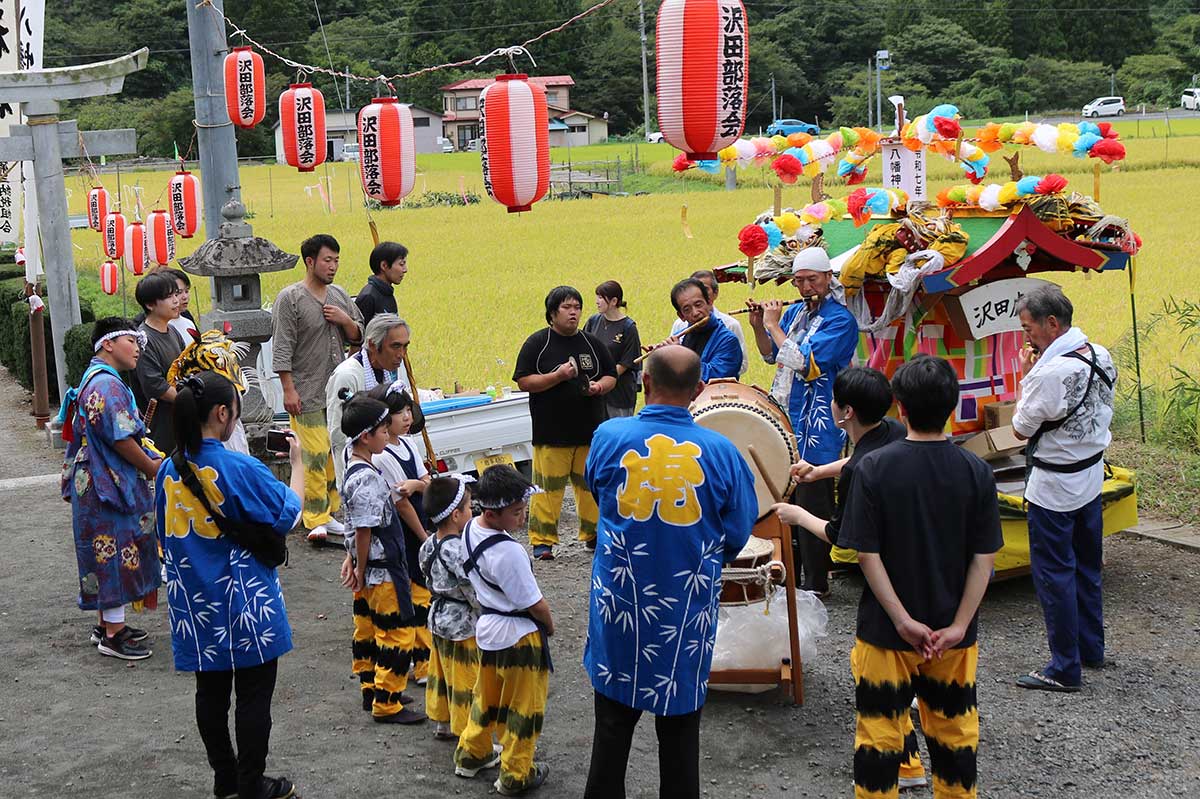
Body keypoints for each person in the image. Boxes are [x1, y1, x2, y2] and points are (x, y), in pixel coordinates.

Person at [582, 345, 757, 799]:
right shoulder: (722, 451)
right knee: (680, 733)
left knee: (613, 724)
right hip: (685, 612)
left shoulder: (608, 435)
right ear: (699, 390)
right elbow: (737, 532)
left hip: (621, 601)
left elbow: (599, 494)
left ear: (644, 383)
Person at [838, 355, 1003, 799]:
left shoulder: (874, 468)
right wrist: (959, 626)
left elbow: (866, 555)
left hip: (885, 632)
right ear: (952, 406)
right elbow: (983, 559)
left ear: (901, 408)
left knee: (878, 740)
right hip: (953, 634)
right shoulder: (977, 471)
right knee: (955, 738)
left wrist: (902, 621)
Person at [771, 366, 927, 791]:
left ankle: (897, 766)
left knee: (877, 671)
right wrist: (819, 471)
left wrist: (798, 515)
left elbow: (844, 539)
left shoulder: (865, 469)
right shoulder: (893, 432)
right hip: (923, 563)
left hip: (890, 579)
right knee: (907, 668)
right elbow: (858, 459)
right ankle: (910, 763)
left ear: (844, 413)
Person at [157, 371, 303, 799]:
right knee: (254, 694)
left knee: (211, 691)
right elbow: (289, 513)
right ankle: (252, 781)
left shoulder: (168, 469)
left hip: (193, 602)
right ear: (223, 414)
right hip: (245, 599)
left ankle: (225, 778)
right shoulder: (239, 465)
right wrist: (297, 465)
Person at [1011, 285, 1116, 693]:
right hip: (1090, 477)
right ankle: (1091, 648)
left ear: (1051, 324)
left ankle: (1063, 667)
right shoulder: (1101, 355)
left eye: (1028, 328)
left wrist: (1026, 377)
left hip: (1054, 485)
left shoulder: (1048, 373)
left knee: (1055, 575)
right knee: (1087, 569)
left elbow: (1021, 428)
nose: (1026, 337)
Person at [747, 247, 859, 595]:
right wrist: (759, 328)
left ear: (828, 277)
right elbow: (771, 356)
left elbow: (806, 364)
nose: (806, 286)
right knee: (783, 497)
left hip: (819, 424)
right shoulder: (794, 312)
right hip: (786, 418)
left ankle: (815, 581)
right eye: (799, 281)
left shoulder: (842, 321)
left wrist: (772, 325)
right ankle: (786, 576)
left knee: (813, 500)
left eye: (813, 279)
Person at [59, 317, 162, 660]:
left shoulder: (97, 379)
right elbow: (121, 438)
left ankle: (107, 624)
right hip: (107, 482)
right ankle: (113, 635)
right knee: (116, 549)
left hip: (96, 479)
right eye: (131, 341)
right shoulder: (107, 385)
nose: (137, 349)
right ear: (108, 344)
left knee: (107, 550)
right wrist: (152, 467)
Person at [453, 465, 553, 795]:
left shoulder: (469, 530)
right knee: (524, 708)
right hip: (519, 637)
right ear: (493, 513)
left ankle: (472, 753)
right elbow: (534, 603)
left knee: (487, 697)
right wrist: (549, 626)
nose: (523, 518)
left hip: (489, 630)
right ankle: (515, 773)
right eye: (517, 512)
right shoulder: (509, 552)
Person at [338, 389, 426, 724]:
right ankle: (387, 702)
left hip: (369, 570)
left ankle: (372, 689)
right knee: (396, 633)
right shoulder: (368, 479)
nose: (388, 436)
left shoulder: (352, 460)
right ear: (365, 436)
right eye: (383, 432)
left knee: (367, 629)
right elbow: (363, 529)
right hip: (381, 570)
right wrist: (360, 565)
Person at [271, 233, 364, 542]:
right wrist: (288, 389)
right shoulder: (291, 298)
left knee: (334, 450)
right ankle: (314, 517)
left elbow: (359, 335)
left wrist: (344, 320)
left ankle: (330, 510)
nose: (333, 266)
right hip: (306, 389)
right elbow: (282, 346)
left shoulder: (338, 295)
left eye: (336, 260)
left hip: (338, 389)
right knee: (313, 453)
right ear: (310, 262)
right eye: (327, 260)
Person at [513, 286, 617, 560]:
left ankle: (594, 534)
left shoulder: (592, 343)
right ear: (552, 313)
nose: (574, 312)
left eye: (577, 307)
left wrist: (599, 388)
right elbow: (524, 381)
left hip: (590, 431)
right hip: (551, 431)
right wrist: (557, 376)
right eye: (567, 307)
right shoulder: (538, 343)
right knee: (548, 489)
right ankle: (542, 541)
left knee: (590, 486)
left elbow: (611, 376)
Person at [367, 382, 433, 687]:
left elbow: (424, 481)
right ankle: (423, 665)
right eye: (399, 412)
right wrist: (424, 537)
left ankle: (423, 662)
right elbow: (401, 503)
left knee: (422, 593)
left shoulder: (408, 445)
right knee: (417, 595)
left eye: (408, 410)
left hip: (419, 521)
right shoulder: (382, 456)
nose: (407, 417)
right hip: (406, 531)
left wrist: (418, 485)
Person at [418, 474, 481, 741]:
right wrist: (486, 611)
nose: (472, 511)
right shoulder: (458, 550)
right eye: (468, 507)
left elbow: (425, 572)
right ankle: (467, 729)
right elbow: (471, 589)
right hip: (462, 624)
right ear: (456, 515)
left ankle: (443, 720)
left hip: (438, 618)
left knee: (441, 671)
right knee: (465, 677)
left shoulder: (428, 544)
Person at [326, 313, 415, 489]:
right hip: (361, 477)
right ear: (373, 345)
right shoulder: (348, 376)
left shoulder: (391, 369)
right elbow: (339, 435)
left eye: (405, 347)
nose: (401, 354)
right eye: (395, 346)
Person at [134, 271, 185, 455]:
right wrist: (191, 402)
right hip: (160, 426)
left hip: (179, 419)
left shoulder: (173, 331)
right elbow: (156, 385)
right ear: (150, 304)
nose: (176, 301)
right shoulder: (143, 339)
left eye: (176, 295)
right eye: (168, 297)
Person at [659, 277, 741, 382]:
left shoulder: (728, 340)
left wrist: (679, 356)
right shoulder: (680, 336)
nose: (695, 313)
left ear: (709, 302)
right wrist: (661, 359)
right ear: (681, 316)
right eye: (687, 310)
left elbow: (713, 376)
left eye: (698, 305)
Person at [583, 280, 642, 419]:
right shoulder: (593, 321)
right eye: (597, 297)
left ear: (614, 301)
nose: (597, 301)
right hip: (596, 389)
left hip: (619, 392)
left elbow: (626, 362)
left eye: (601, 298)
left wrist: (604, 380)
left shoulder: (628, 327)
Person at [355, 240, 409, 327]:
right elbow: (361, 334)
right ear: (384, 266)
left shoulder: (387, 292)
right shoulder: (368, 297)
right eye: (401, 264)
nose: (405, 270)